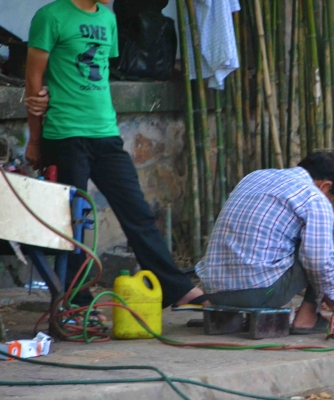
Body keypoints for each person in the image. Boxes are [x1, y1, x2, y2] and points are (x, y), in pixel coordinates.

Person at [24, 0, 205, 316]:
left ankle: (177, 289)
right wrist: (35, 140)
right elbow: (33, 81)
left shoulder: (107, 19)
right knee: (73, 222)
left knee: (136, 210)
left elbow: (98, 76)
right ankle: (76, 301)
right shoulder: (50, 17)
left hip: (105, 133)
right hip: (64, 133)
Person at [189, 152, 334, 334]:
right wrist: (332, 297)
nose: (330, 204)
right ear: (326, 186)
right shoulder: (314, 197)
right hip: (260, 293)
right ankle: (307, 319)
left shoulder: (254, 177)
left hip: (215, 292)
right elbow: (318, 260)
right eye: (332, 198)